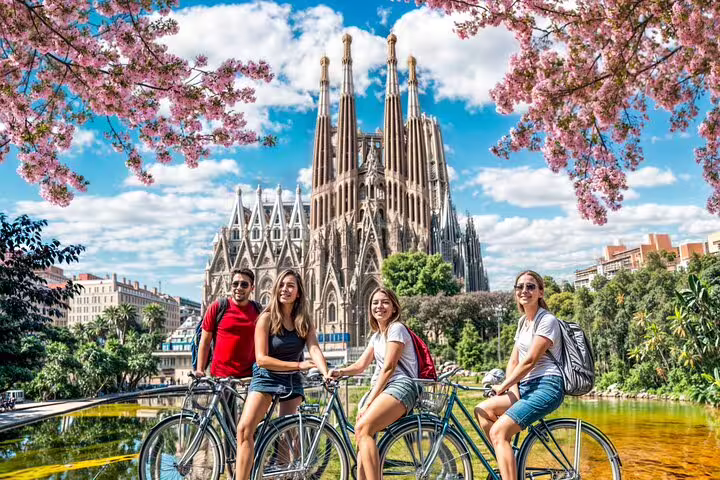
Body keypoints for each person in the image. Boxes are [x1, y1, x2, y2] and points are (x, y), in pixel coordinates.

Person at [235, 269, 330, 480]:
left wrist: (326, 374)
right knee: (244, 430)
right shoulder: (266, 318)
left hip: (291, 381)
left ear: (298, 293)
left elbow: (314, 348)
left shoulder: (303, 321)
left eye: (291, 286)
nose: (285, 290)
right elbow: (262, 359)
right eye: (282, 285)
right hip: (266, 377)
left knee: (287, 436)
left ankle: (283, 476)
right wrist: (298, 366)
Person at [474, 270, 564, 480]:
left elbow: (530, 360)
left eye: (531, 286)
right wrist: (511, 390)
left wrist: (503, 385)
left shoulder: (547, 320)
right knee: (482, 409)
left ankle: (507, 464)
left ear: (541, 292)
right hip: (526, 387)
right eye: (520, 287)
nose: (524, 290)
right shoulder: (523, 322)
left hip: (548, 386)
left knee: (499, 432)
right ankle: (508, 460)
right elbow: (513, 361)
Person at [329, 286, 420, 480]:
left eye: (385, 302)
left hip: (402, 387)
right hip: (386, 389)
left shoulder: (396, 329)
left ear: (394, 308)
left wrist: (371, 398)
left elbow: (389, 368)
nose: (380, 306)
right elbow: (361, 365)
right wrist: (340, 371)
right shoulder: (377, 336)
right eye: (375, 303)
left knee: (364, 428)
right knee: (362, 435)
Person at [194, 268, 261, 380]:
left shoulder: (258, 310)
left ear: (252, 288)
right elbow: (205, 342)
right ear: (231, 286)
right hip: (220, 378)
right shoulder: (217, 307)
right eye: (235, 284)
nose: (239, 288)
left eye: (244, 285)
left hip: (250, 378)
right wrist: (200, 370)